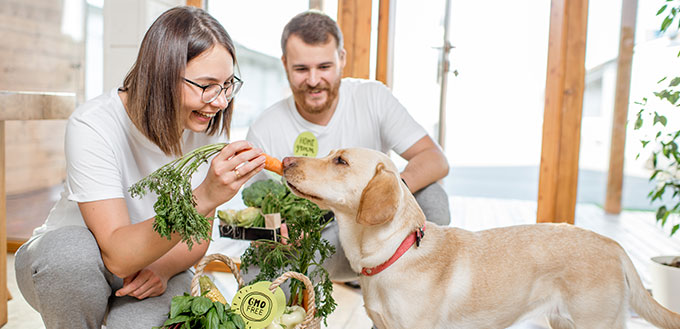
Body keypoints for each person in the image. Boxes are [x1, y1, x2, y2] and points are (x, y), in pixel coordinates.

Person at [14, 6, 266, 329]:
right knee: (69, 258)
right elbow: (117, 254)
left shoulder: (207, 125)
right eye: (206, 86)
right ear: (161, 75)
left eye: (228, 85)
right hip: (68, 266)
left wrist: (162, 269)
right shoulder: (94, 125)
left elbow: (198, 239)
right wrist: (204, 195)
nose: (220, 102)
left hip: (152, 262)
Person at [245, 10, 450, 282]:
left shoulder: (372, 97)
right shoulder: (264, 128)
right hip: (311, 242)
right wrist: (280, 229)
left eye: (324, 67)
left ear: (341, 59)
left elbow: (435, 159)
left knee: (432, 197)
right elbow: (256, 215)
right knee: (256, 279)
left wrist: (380, 196)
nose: (314, 80)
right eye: (301, 69)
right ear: (285, 64)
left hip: (372, 233)